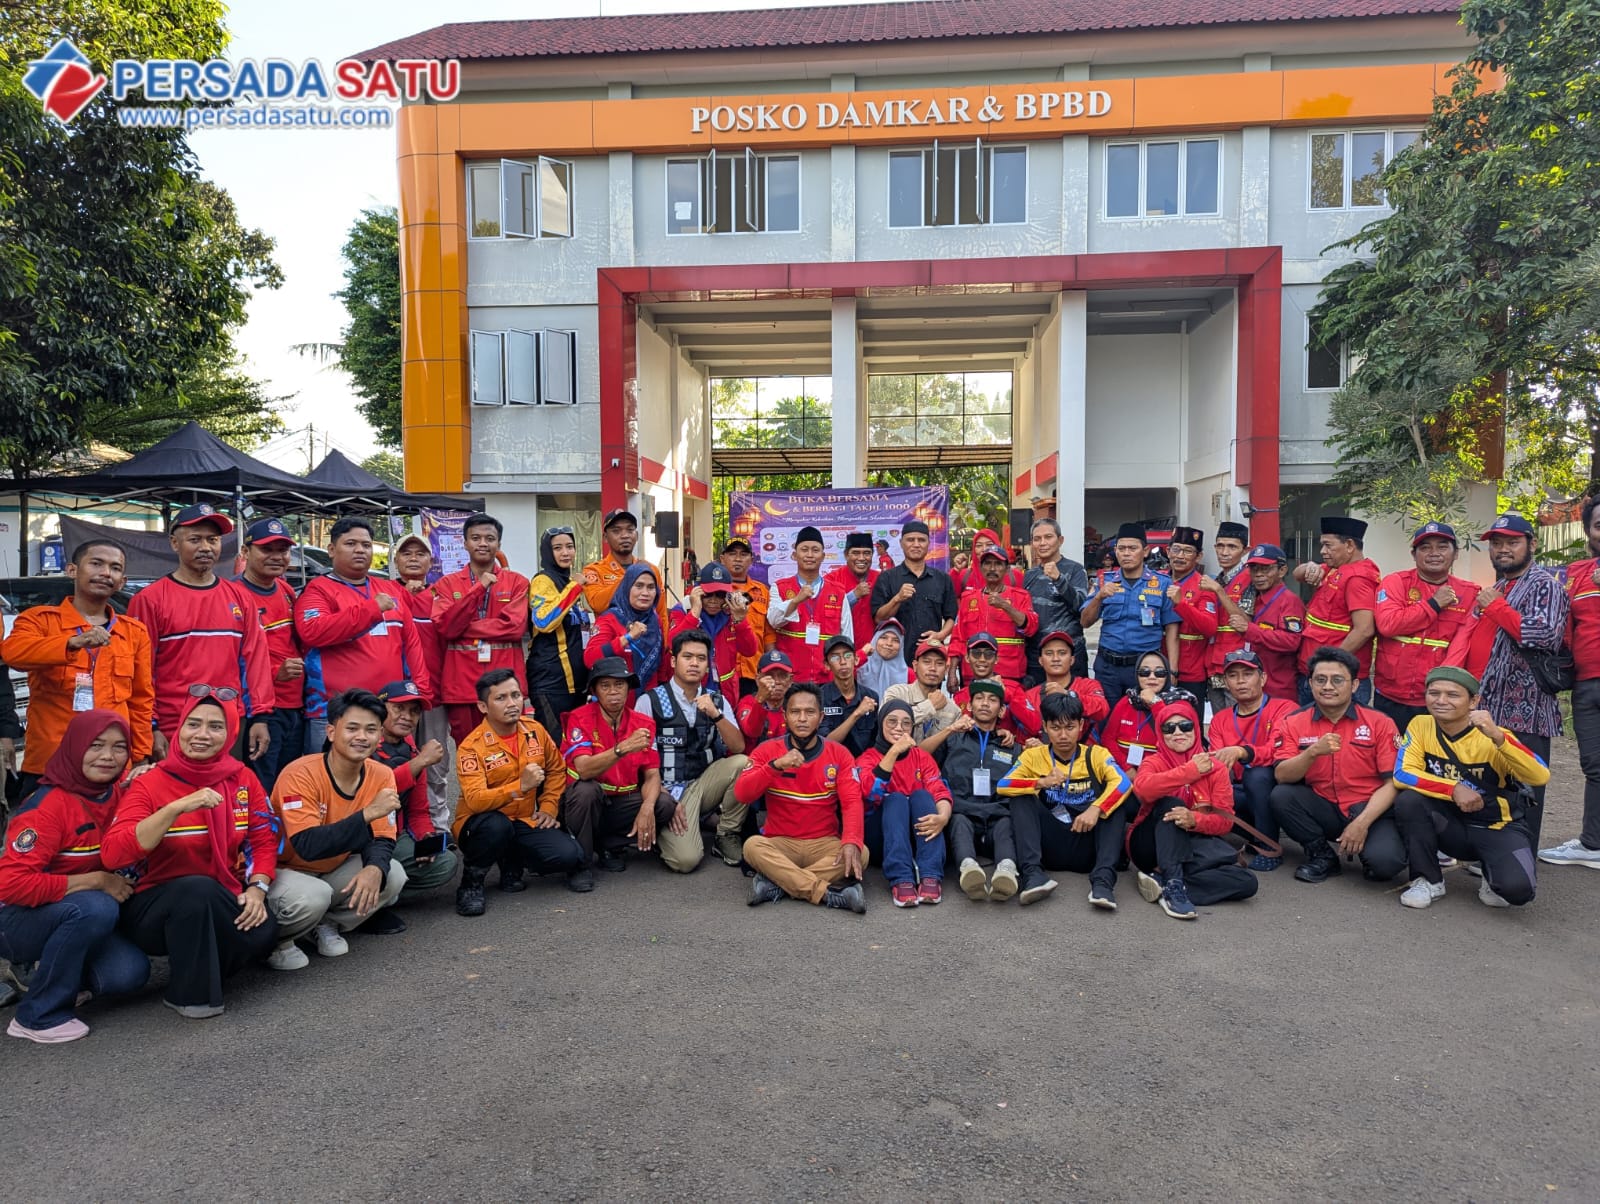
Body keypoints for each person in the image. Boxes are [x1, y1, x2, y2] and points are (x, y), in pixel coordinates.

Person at [101, 690, 281, 1018]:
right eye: (193, 724)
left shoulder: (243, 778)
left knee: (264, 931)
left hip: (217, 895)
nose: (201, 735)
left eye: (215, 726)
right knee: (195, 890)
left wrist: (257, 887)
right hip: (152, 907)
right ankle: (190, 995)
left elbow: (264, 840)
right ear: (179, 728)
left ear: (230, 734)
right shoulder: (148, 783)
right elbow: (114, 855)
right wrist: (176, 808)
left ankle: (201, 966)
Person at [0, 712, 149, 1043]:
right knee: (97, 907)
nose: (108, 756)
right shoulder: (47, 808)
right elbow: (11, 885)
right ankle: (36, 1015)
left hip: (72, 913)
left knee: (129, 974)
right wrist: (97, 880)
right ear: (73, 747)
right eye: (96, 746)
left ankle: (58, 973)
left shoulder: (118, 795)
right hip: (15, 919)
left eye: (119, 747)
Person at [1448, 513, 1567, 848]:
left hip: (1525, 706)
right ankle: (1495, 852)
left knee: (1525, 784)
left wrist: (1497, 607)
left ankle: (1521, 857)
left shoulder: (1545, 584)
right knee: (1492, 782)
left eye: (1512, 542)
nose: (1502, 549)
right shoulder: (1499, 586)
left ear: (1532, 544)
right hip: (1489, 703)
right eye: (1497, 543)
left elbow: (1542, 635)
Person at [2, 538, 153, 794]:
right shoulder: (39, 621)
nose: (106, 572)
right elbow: (13, 653)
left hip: (113, 765)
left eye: (115, 568)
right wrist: (72, 643)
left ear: (122, 581)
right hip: (51, 763)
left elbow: (141, 701)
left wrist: (140, 756)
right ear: (72, 570)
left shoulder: (134, 632)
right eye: (96, 563)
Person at [1391, 666, 1549, 910]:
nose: (1441, 701)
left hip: (1495, 825)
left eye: (1453, 695)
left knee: (1517, 893)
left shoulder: (1494, 735)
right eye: (1434, 693)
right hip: (1448, 823)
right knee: (1409, 801)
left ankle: (1491, 872)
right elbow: (1403, 774)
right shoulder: (1421, 724)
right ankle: (1428, 880)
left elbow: (1539, 776)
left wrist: (1499, 738)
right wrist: (1452, 788)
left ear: (1474, 701)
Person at [268, 689, 409, 960]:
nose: (361, 737)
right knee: (314, 895)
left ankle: (324, 924)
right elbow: (307, 845)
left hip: (331, 869)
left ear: (380, 736)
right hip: (284, 870)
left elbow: (383, 837)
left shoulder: (381, 774)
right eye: (352, 728)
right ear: (331, 732)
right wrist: (366, 814)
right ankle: (277, 941)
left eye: (370, 730)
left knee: (391, 874)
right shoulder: (299, 773)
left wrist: (373, 868)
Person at [126, 504, 273, 762]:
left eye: (213, 540)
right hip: (175, 725)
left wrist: (260, 716)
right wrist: (151, 725)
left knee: (224, 798)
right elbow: (139, 670)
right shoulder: (149, 599)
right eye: (195, 539)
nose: (206, 547)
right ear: (174, 543)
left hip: (227, 724)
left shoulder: (240, 597)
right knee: (175, 799)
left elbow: (256, 660)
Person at [295, 516, 433, 755]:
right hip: (333, 711)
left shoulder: (390, 589)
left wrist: (419, 691)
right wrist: (371, 610)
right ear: (331, 549)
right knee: (329, 783)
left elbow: (411, 644)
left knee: (388, 780)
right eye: (350, 544)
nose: (360, 550)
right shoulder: (318, 589)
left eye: (366, 545)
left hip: (387, 711)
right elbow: (313, 631)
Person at [1270, 646, 1405, 884]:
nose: (1328, 687)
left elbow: (1392, 784)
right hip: (1324, 806)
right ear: (1309, 684)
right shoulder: (1293, 722)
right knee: (1282, 796)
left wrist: (1362, 823)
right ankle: (1322, 856)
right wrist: (1311, 753)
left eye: (1337, 680)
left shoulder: (1379, 722)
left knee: (1384, 866)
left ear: (1354, 685)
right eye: (1320, 680)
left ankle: (1370, 848)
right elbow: (1282, 776)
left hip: (1369, 809)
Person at [453, 669, 585, 909]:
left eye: (515, 695)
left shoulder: (534, 730)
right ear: (483, 707)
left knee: (569, 855)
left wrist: (548, 807)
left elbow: (557, 770)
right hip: (479, 825)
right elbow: (475, 801)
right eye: (501, 698)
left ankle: (511, 861)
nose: (512, 703)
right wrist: (519, 787)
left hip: (523, 819)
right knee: (496, 826)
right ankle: (471, 883)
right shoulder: (471, 747)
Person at [733, 682, 867, 912]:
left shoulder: (839, 754)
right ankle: (828, 893)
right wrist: (775, 766)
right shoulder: (767, 750)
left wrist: (851, 839)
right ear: (785, 715)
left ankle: (779, 883)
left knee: (861, 852)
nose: (802, 718)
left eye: (810, 712)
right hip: (780, 843)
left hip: (824, 843)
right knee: (752, 846)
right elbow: (742, 793)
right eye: (795, 712)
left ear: (821, 716)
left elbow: (852, 801)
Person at [997, 691, 1132, 908]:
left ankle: (1103, 883)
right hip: (1050, 844)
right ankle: (1032, 875)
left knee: (1115, 806)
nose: (1062, 735)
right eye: (1055, 728)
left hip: (1086, 842)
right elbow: (1003, 786)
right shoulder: (1033, 756)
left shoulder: (1096, 754)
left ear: (1080, 726)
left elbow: (1124, 783)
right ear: (1045, 727)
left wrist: (1096, 808)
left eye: (1069, 727)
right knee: (1020, 797)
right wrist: (1040, 783)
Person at [1128, 697, 1258, 919]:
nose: (1178, 732)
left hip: (1192, 844)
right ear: (1161, 733)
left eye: (1185, 725)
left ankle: (1168, 883)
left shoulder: (1216, 768)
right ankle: (1174, 885)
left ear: (1196, 729)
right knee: (1172, 805)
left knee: (1248, 882)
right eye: (1169, 728)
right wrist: (1189, 771)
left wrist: (1195, 820)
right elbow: (1143, 790)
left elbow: (1225, 822)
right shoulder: (1154, 761)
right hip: (1149, 845)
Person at [635, 629, 750, 871]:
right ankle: (676, 827)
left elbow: (738, 747)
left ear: (708, 665)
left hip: (702, 785)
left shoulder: (716, 700)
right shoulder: (650, 701)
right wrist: (663, 799)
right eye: (688, 657)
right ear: (674, 661)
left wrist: (716, 715)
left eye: (701, 658)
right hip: (667, 790)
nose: (694, 663)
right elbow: (641, 761)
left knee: (743, 763)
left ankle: (725, 834)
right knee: (685, 861)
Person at [560, 657, 666, 891]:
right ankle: (581, 863)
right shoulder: (579, 717)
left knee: (664, 804)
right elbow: (584, 769)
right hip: (585, 801)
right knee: (587, 791)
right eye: (605, 686)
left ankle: (608, 845)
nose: (613, 692)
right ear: (595, 690)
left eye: (620, 685)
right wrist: (622, 748)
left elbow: (652, 773)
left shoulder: (643, 722)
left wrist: (647, 808)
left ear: (629, 688)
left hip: (622, 802)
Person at [431, 513, 531, 744]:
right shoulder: (447, 584)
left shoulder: (517, 582)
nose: (483, 543)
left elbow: (514, 628)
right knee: (469, 751)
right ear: (465, 543)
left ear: (499, 544)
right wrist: (479, 589)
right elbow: (446, 628)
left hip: (506, 684)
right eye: (476, 538)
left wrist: (464, 626)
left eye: (489, 538)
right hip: (462, 686)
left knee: (511, 749)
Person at [1371, 522, 1477, 732]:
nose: (1434, 553)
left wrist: (1441, 688)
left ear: (1456, 554)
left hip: (1438, 699)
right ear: (1414, 554)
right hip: (1391, 695)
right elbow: (1387, 625)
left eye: (1442, 547)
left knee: (1434, 760)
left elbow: (1461, 645)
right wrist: (1433, 604)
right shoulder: (1396, 582)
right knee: (1389, 759)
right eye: (1425, 547)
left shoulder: (1470, 593)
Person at [1543, 496, 1600, 869]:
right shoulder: (1575, 572)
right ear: (1589, 531)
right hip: (1587, 683)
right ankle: (1592, 844)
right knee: (1594, 766)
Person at [369, 680, 460, 908]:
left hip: (395, 834)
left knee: (445, 862)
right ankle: (363, 899)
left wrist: (425, 837)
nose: (407, 717)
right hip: (363, 837)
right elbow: (373, 793)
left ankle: (386, 897)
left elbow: (419, 811)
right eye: (398, 708)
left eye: (414, 711)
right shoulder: (364, 741)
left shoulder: (410, 748)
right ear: (380, 709)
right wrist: (419, 762)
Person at [854, 701, 952, 907]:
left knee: (922, 796)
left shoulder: (921, 757)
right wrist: (894, 752)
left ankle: (930, 874)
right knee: (896, 799)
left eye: (906, 723)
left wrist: (943, 817)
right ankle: (901, 877)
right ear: (881, 724)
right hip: (881, 836)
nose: (899, 728)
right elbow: (870, 794)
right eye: (892, 721)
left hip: (917, 834)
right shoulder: (867, 758)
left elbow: (940, 790)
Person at [1206, 650, 1296, 870]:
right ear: (1226, 682)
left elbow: (1277, 752)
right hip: (1240, 791)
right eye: (1233, 676)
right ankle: (1243, 837)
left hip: (1277, 790)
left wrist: (1242, 751)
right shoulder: (1220, 719)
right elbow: (1218, 764)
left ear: (1263, 678)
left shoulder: (1284, 708)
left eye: (1248, 674)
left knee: (1257, 775)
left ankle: (1269, 846)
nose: (1240, 681)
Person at [233, 519, 304, 793]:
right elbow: (230, 658)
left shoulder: (285, 590)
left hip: (294, 706)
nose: (277, 557)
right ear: (245, 551)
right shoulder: (234, 594)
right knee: (260, 787)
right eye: (267, 549)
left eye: (283, 550)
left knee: (288, 786)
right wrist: (275, 674)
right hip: (261, 711)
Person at [938, 680, 1021, 902]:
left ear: (1002, 710)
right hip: (963, 811)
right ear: (970, 705)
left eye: (992, 700)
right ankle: (968, 869)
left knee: (1006, 824)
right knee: (959, 822)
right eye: (979, 698)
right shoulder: (953, 739)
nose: (985, 704)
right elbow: (926, 762)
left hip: (997, 812)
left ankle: (1007, 870)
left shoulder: (1012, 747)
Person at [1080, 522, 1179, 702]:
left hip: (1145, 670)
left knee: (1143, 721)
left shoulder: (1162, 583)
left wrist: (1171, 669)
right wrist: (1098, 597)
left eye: (1132, 548)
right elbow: (1085, 621)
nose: (1126, 553)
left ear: (1146, 551)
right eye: (1122, 548)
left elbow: (1172, 630)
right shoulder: (1104, 581)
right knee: (1106, 722)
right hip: (1108, 667)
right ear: (1116, 551)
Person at [392, 532, 450, 830]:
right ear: (396, 560)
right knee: (394, 761)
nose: (413, 558)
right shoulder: (387, 593)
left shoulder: (441, 595)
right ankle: (399, 828)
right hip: (394, 697)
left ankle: (437, 828)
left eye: (420, 553)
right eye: (406, 553)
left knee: (436, 765)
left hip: (434, 696)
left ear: (431, 561)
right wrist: (405, 593)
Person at [1294, 516, 1380, 704]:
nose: (1323, 551)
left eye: (1328, 545)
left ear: (1349, 545)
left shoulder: (1357, 578)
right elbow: (1297, 574)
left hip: (1336, 679)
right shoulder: (1336, 569)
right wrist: (1310, 566)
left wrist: (1329, 665)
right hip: (1317, 673)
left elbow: (1364, 629)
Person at [1213, 543, 1306, 702]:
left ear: (1282, 571)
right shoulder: (1254, 598)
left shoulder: (1289, 601)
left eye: (1266, 569)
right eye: (1254, 569)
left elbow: (1292, 642)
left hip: (1279, 688)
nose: (1259, 574)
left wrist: (1250, 629)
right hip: (1254, 686)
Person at [526, 525, 591, 735]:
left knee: (575, 748)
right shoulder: (543, 580)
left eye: (570, 546)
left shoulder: (569, 581)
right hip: (551, 683)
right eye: (558, 548)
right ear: (547, 552)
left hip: (576, 685)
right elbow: (544, 621)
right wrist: (575, 588)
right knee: (553, 749)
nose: (565, 552)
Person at [770, 525, 851, 684]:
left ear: (823, 556)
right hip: (790, 679)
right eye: (804, 549)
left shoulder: (838, 592)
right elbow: (773, 620)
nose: (809, 555)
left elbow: (847, 638)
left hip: (828, 678)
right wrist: (796, 601)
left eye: (815, 550)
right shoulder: (779, 587)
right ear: (794, 555)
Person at [869, 521, 957, 666]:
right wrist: (897, 599)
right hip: (894, 660)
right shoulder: (887, 578)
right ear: (901, 543)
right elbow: (879, 618)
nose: (916, 544)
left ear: (928, 543)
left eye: (921, 540)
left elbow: (951, 617)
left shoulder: (943, 579)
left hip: (930, 658)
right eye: (910, 540)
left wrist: (940, 635)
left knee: (932, 690)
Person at [670, 562, 759, 696]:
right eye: (708, 594)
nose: (714, 600)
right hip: (692, 690)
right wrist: (694, 613)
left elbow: (750, 650)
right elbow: (671, 644)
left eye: (720, 595)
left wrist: (741, 621)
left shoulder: (731, 612)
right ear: (698, 591)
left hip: (725, 692)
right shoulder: (683, 609)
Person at [952, 548, 1037, 686]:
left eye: (998, 564)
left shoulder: (1021, 596)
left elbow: (1031, 628)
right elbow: (958, 637)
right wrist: (952, 672)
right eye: (987, 563)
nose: (992, 568)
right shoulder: (968, 598)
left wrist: (1006, 606)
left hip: (1009, 675)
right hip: (972, 674)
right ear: (980, 567)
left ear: (1007, 568)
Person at [1023, 517, 1091, 683]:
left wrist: (1059, 579)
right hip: (1036, 655)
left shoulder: (1075, 570)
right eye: (1037, 539)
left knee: (1071, 705)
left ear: (1060, 540)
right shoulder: (1029, 576)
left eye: (1048, 537)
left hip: (1068, 654)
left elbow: (1081, 607)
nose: (1042, 543)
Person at [582, 509, 669, 629]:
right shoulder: (594, 570)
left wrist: (665, 646)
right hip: (612, 642)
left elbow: (661, 614)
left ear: (637, 536)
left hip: (646, 642)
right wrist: (631, 575)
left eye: (630, 530)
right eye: (616, 531)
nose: (625, 535)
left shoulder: (651, 569)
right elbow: (597, 605)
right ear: (605, 537)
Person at [586, 562, 668, 689]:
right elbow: (590, 658)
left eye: (651, 587)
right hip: (618, 700)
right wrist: (627, 638)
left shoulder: (655, 619)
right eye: (639, 586)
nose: (645, 593)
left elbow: (661, 662)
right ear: (627, 587)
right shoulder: (610, 619)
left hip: (649, 701)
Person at [1164, 526, 1221, 701]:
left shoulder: (1203, 586)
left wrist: (1181, 604)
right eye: (1176, 549)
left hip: (1190, 671)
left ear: (1199, 556)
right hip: (1158, 667)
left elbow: (1210, 628)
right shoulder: (1157, 581)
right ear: (1168, 551)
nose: (1180, 556)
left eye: (1188, 551)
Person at [1202, 521, 1252, 711]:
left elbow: (1245, 622)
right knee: (1219, 721)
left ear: (1245, 550)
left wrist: (1219, 592)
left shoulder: (1249, 578)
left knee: (1238, 717)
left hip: (1238, 660)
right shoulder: (1217, 579)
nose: (1224, 552)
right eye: (1220, 546)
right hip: (1214, 660)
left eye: (1232, 547)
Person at [1019, 631, 1108, 736]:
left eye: (1062, 653)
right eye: (1049, 653)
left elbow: (1102, 710)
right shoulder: (1030, 696)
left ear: (1072, 660)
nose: (1056, 659)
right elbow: (1022, 735)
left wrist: (1069, 694)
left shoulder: (1088, 685)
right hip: (1044, 750)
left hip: (1084, 750)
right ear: (1040, 661)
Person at [953, 632, 1038, 740]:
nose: (982, 659)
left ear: (996, 659)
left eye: (988, 654)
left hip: (1005, 752)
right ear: (967, 658)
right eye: (976, 653)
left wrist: (1006, 695)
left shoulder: (1013, 689)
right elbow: (954, 735)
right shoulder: (960, 696)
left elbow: (1034, 726)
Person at [1100, 651, 1175, 772]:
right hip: (1126, 772)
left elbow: (1174, 735)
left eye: (1159, 673)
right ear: (1137, 676)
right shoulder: (1127, 701)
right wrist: (1126, 768)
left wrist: (1155, 702)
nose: (1152, 677)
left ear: (1167, 676)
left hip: (1161, 773)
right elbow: (1107, 738)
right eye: (1145, 672)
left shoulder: (1179, 703)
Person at [719, 536, 773, 692]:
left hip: (754, 672)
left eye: (743, 554)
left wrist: (769, 668)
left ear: (751, 560)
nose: (737, 559)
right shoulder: (715, 592)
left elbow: (768, 635)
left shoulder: (762, 591)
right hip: (724, 673)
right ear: (723, 559)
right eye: (732, 554)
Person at [883, 642, 963, 743]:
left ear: (946, 670)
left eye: (939, 663)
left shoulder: (953, 710)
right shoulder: (897, 693)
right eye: (927, 662)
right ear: (915, 666)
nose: (933, 668)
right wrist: (929, 706)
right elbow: (888, 725)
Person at [819, 634, 880, 757]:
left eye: (847, 655)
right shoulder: (820, 697)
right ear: (826, 664)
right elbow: (826, 744)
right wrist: (857, 714)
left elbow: (876, 742)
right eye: (835, 657)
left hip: (864, 765)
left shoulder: (871, 696)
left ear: (856, 659)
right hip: (830, 762)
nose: (842, 662)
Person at [820, 532, 879, 654]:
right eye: (856, 553)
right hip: (841, 653)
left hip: (875, 652)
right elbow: (822, 614)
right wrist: (853, 596)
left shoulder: (881, 579)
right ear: (846, 555)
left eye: (867, 553)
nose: (861, 558)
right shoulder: (831, 580)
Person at [737, 650, 794, 745]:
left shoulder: (795, 703)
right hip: (754, 758)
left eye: (782, 676)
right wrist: (760, 699)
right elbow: (752, 731)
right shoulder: (747, 702)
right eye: (769, 676)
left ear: (790, 681)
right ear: (757, 679)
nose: (776, 681)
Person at [856, 620, 907, 701]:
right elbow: (840, 671)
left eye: (896, 640)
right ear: (875, 640)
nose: (889, 643)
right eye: (883, 637)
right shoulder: (860, 667)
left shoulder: (908, 674)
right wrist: (861, 654)